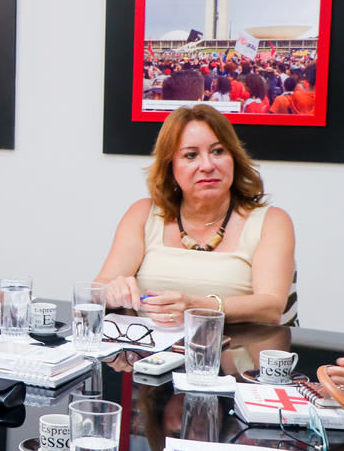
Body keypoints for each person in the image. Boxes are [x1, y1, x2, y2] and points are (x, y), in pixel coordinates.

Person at [95, 105, 296, 327]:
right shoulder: (142, 213)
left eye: (218, 151)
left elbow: (271, 307)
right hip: (149, 346)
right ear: (170, 166)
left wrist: (195, 306)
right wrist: (112, 292)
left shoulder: (272, 221)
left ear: (234, 158)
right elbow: (98, 289)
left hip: (237, 348)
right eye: (190, 155)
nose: (207, 165)